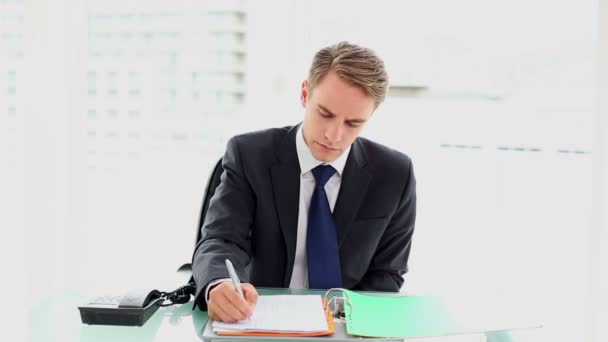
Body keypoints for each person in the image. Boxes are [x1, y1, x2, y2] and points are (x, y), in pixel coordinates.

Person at [191, 41, 416, 323]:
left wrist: (341, 322)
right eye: (326, 114)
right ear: (304, 94)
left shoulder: (395, 173)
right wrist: (218, 284)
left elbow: (388, 272)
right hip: (257, 319)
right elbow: (220, 240)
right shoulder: (249, 155)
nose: (334, 136)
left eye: (353, 123)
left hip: (345, 326)